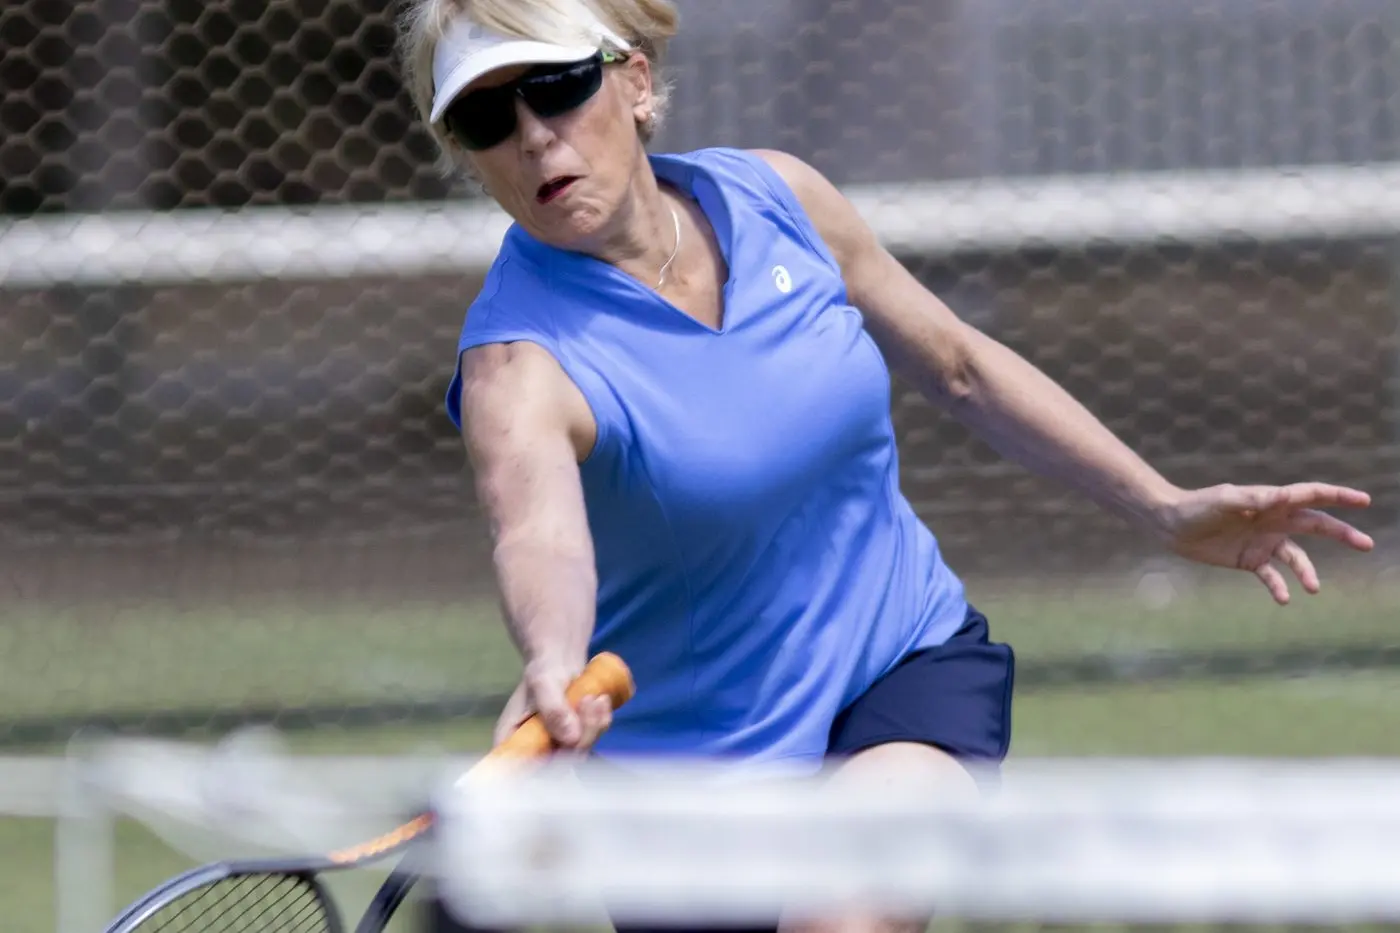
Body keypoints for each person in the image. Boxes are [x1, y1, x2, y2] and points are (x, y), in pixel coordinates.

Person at [397, 1, 1374, 930]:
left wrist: (1161, 508)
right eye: (486, 115)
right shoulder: (517, 366)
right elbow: (537, 536)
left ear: (635, 83)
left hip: (896, 667)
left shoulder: (778, 197)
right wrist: (553, 661)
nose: (531, 137)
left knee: (845, 908)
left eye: (557, 87)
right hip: (690, 782)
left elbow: (957, 364)